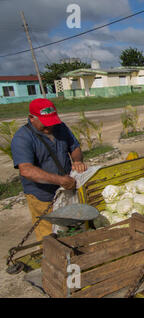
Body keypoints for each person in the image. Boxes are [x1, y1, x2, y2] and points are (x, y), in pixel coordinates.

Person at [11, 98, 87, 241]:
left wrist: (77, 161)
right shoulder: (22, 137)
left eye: (52, 122)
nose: (49, 127)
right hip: (42, 196)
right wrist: (59, 180)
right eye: (45, 123)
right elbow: (26, 170)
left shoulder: (60, 127)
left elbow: (74, 147)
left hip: (66, 191)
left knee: (73, 231)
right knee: (50, 238)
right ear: (31, 118)